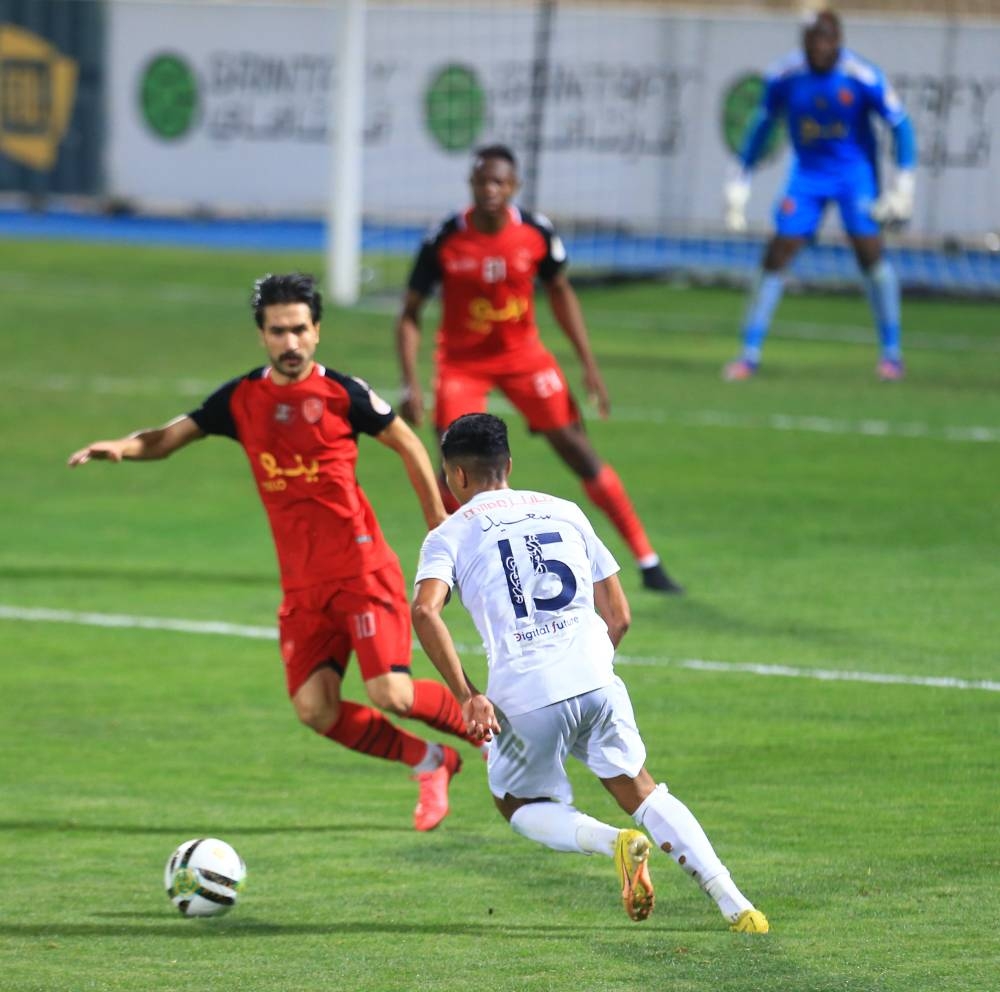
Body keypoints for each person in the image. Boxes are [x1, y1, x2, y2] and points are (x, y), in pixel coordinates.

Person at [68, 272, 482, 832]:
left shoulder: (343, 394)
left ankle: (491, 733)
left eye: (300, 330)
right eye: (278, 331)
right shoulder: (241, 399)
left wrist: (436, 520)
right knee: (315, 709)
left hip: (362, 571)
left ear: (317, 331)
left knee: (392, 693)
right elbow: (168, 437)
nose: (291, 342)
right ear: (262, 335)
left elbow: (406, 440)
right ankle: (431, 762)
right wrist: (122, 445)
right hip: (303, 586)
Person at [410, 412, 769, 930]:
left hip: (524, 696)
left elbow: (425, 612)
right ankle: (737, 904)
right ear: (508, 464)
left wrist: (469, 696)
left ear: (456, 475)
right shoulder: (566, 511)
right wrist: (588, 670)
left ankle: (614, 842)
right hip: (597, 680)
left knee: (517, 803)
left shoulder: (449, 534)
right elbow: (619, 615)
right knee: (641, 789)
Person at [396, 143, 683, 595]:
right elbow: (410, 313)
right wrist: (410, 381)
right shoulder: (444, 238)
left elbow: (561, 292)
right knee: (456, 464)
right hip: (463, 363)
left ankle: (648, 560)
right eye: (481, 181)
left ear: (514, 186)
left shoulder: (535, 232)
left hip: (524, 357)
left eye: (499, 182)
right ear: (471, 185)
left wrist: (587, 363)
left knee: (577, 449)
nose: (490, 189)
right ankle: (453, 572)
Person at [722, 8, 916, 381]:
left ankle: (892, 353)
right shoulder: (785, 75)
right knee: (778, 252)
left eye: (825, 39)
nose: (819, 47)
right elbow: (762, 125)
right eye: (812, 40)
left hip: (853, 175)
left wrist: (903, 185)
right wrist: (739, 177)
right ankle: (749, 353)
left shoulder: (860, 75)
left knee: (869, 254)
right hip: (807, 175)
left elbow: (900, 124)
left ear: (838, 41)